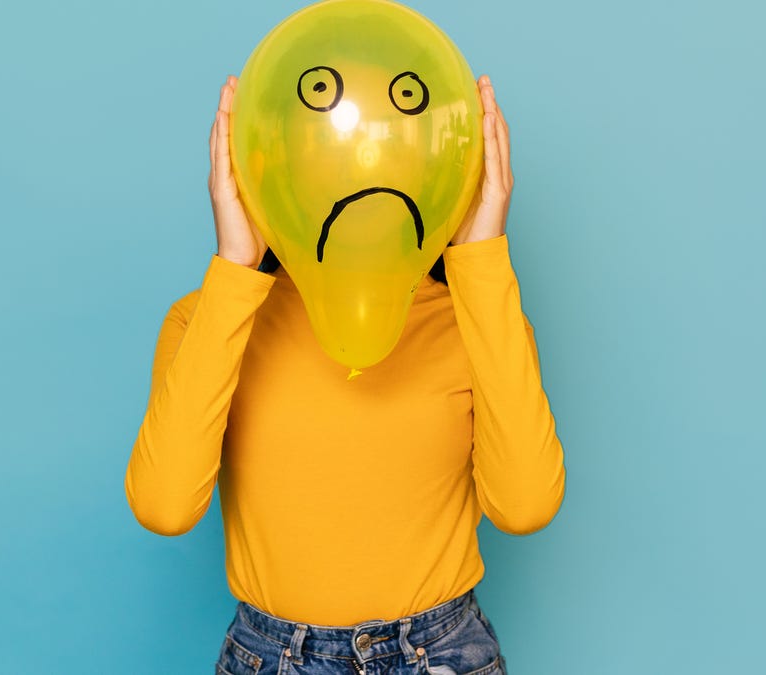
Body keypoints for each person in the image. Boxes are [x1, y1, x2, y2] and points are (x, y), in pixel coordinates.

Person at [125, 73, 566, 675]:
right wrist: (234, 265)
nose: (359, 171)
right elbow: (164, 507)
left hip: (440, 654)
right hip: (271, 656)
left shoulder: (478, 322)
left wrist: (483, 255)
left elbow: (525, 506)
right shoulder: (208, 319)